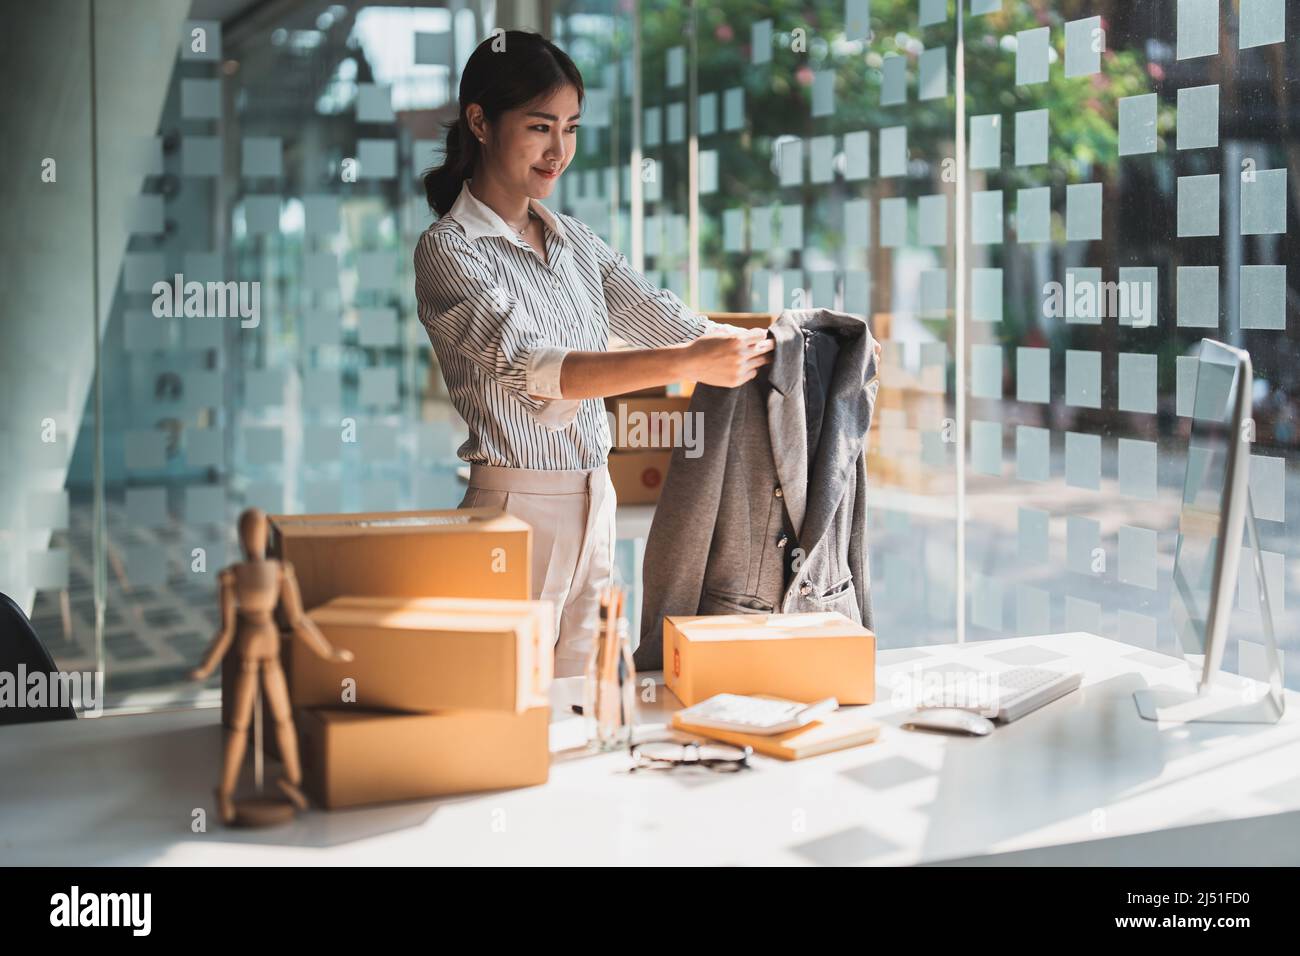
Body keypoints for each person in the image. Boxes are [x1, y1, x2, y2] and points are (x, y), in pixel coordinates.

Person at [414, 31, 773, 676]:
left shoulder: (573, 238)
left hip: (595, 502)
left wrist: (766, 346)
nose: (559, 151)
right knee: (509, 715)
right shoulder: (450, 251)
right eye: (540, 127)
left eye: (572, 129)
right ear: (480, 122)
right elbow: (537, 369)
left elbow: (659, 315)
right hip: (512, 517)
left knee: (588, 708)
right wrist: (691, 361)